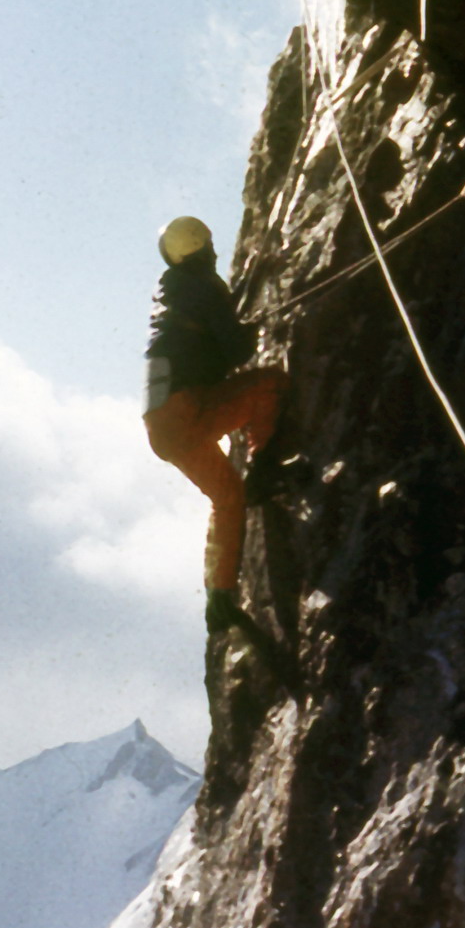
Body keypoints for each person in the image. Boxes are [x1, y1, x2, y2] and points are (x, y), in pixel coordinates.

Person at [143, 216, 288, 632]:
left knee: (227, 497)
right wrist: (248, 330)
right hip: (190, 409)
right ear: (205, 250)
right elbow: (239, 350)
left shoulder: (169, 293)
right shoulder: (205, 288)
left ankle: (219, 596)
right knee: (270, 386)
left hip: (161, 426)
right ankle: (263, 468)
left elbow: (206, 332)